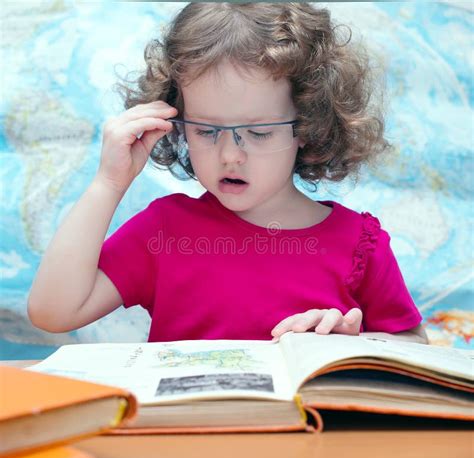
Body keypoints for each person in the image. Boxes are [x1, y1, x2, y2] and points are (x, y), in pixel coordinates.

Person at [27, 2, 428, 344]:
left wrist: (352, 345)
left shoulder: (360, 243)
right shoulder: (165, 230)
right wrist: (108, 184)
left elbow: (416, 345)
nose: (230, 155)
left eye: (257, 132)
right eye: (205, 130)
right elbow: (53, 312)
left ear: (308, 125)